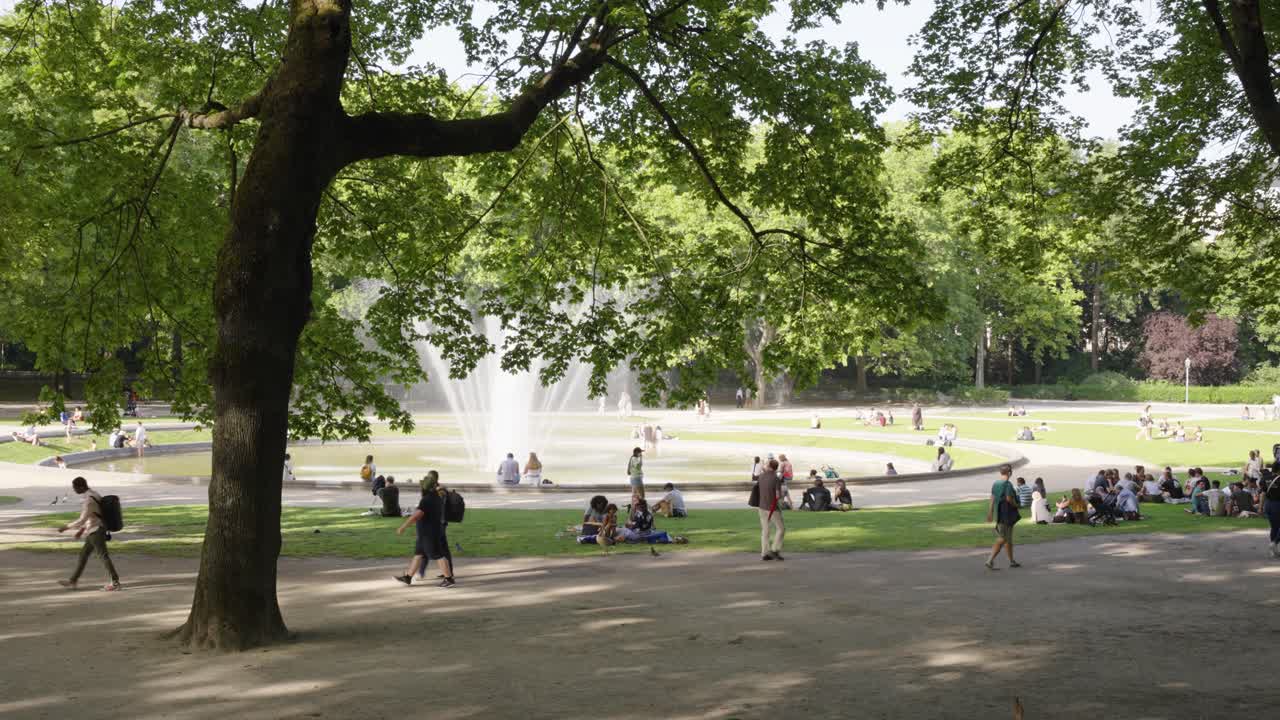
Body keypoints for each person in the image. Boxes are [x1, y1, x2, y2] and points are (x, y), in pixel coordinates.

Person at [56, 477, 121, 591]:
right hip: (93, 529)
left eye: (75, 488)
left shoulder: (89, 500)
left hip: (96, 530)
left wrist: (65, 527)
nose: (74, 490)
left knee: (103, 556)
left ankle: (115, 582)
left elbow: (82, 519)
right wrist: (81, 530)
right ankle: (73, 581)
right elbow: (94, 515)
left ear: (81, 487)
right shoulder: (94, 494)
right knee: (83, 555)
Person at [394, 472, 454, 587]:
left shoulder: (427, 499)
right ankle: (408, 577)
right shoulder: (436, 496)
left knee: (438, 555)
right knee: (419, 554)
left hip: (429, 534)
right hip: (426, 534)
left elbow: (418, 514)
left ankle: (449, 579)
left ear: (425, 487)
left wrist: (403, 526)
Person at [985, 465, 1021, 570]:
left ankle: (1012, 561)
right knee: (1003, 538)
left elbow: (992, 498)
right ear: (1009, 473)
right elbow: (1009, 498)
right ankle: (989, 560)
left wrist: (990, 512)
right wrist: (1017, 505)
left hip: (1000, 512)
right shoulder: (1008, 484)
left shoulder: (996, 483)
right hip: (1007, 513)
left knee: (1008, 538)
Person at [756, 458, 785, 561]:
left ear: (769, 466)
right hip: (772, 507)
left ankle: (765, 553)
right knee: (781, 529)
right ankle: (774, 549)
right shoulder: (775, 479)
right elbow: (778, 495)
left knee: (765, 530)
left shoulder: (761, 476)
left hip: (761, 506)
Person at [1263, 473, 1280, 556]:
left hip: (1268, 504)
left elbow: (1263, 491)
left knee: (1274, 527)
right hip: (1278, 504)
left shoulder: (1265, 478)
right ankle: (1275, 542)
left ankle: (1273, 550)